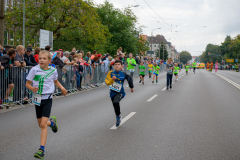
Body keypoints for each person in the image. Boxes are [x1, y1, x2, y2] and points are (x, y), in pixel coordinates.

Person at [26, 50, 67, 159]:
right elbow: (27, 84)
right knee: (41, 124)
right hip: (37, 99)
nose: (42, 60)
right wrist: (32, 88)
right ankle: (52, 123)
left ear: (49, 60)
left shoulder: (53, 70)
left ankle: (41, 150)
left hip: (48, 98)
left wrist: (62, 88)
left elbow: (55, 81)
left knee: (43, 124)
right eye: (40, 58)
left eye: (44, 59)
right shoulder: (34, 70)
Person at [105, 60, 134, 127]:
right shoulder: (110, 73)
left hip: (120, 92)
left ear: (121, 66)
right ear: (114, 66)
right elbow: (107, 82)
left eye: (118, 64)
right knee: (115, 105)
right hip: (112, 93)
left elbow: (129, 79)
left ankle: (118, 116)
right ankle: (118, 116)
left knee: (116, 102)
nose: (117, 66)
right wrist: (112, 80)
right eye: (115, 64)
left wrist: (131, 87)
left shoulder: (124, 74)